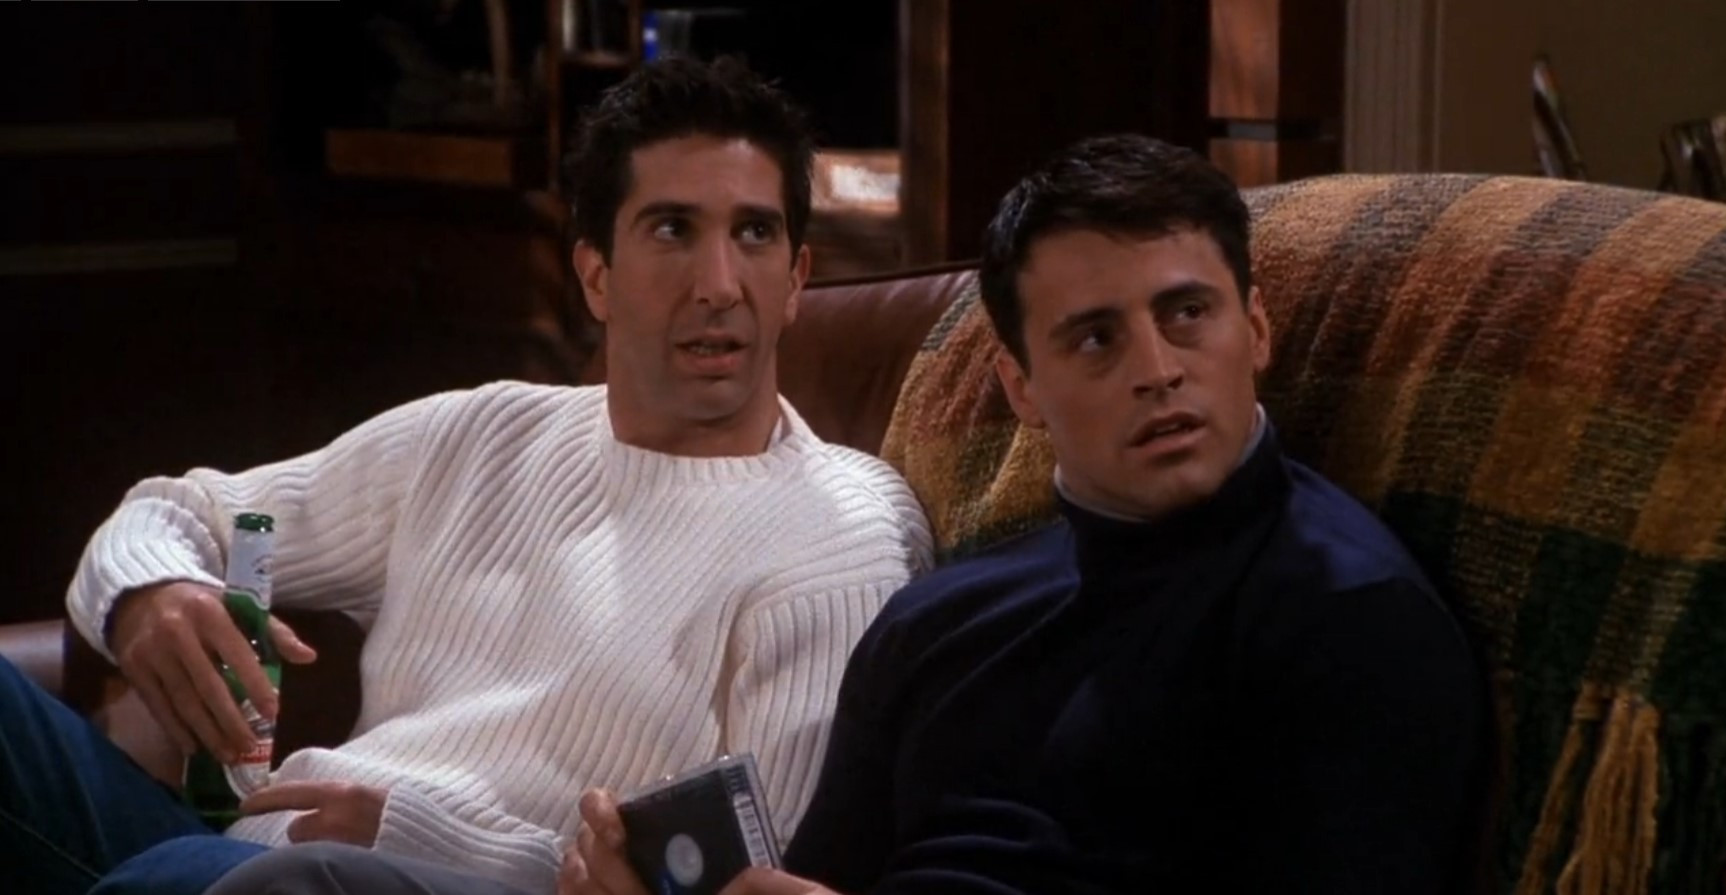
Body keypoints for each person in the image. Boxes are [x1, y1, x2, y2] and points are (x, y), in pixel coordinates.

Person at [0, 55, 931, 895]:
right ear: (595, 276)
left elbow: (743, 881)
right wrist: (148, 593)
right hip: (245, 857)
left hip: (410, 881)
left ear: (798, 277)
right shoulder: (482, 432)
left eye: (755, 233)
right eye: (672, 229)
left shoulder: (840, 531)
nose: (720, 283)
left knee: (238, 878)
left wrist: (422, 833)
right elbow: (184, 509)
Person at [567, 134, 1489, 894]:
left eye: (1186, 314)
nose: (1156, 368)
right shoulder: (937, 622)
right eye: (1096, 337)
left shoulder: (1349, 614)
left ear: (1255, 329)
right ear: (1020, 387)